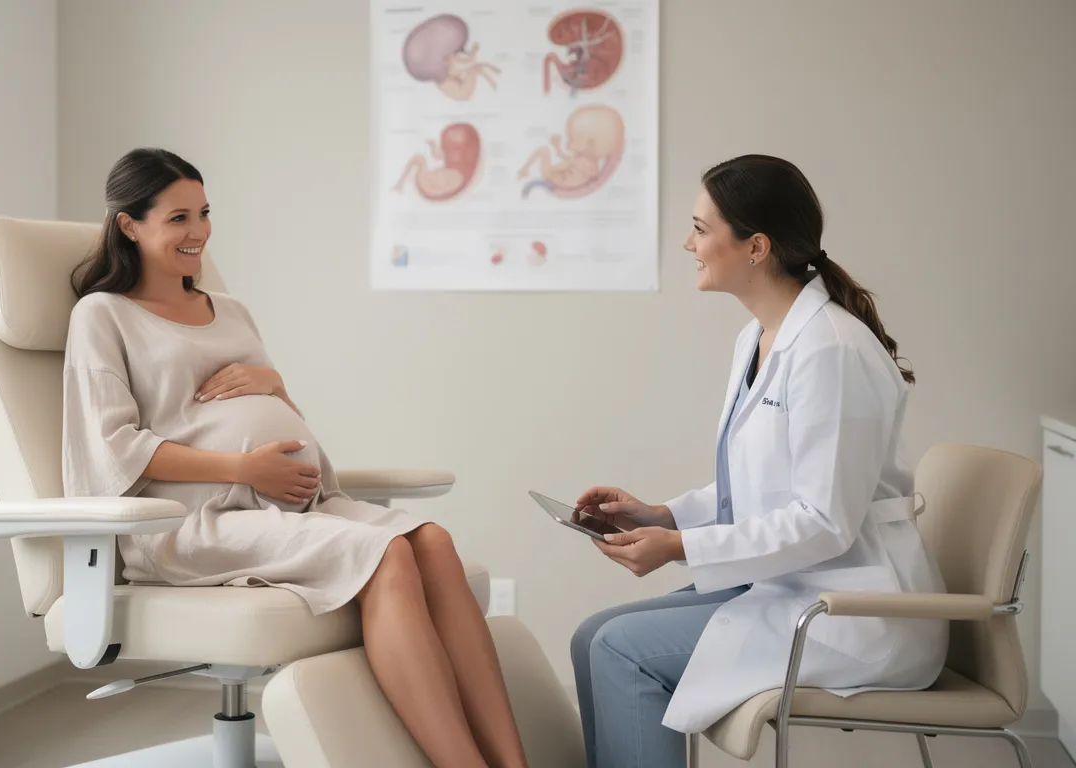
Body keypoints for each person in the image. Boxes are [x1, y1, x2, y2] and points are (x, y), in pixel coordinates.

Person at [61, 148, 528, 768]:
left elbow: (281, 420)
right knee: (386, 552)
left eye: (203, 213)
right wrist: (244, 469)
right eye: (177, 218)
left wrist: (275, 386)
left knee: (434, 542)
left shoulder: (230, 310)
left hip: (289, 501)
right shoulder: (104, 315)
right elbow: (113, 449)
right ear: (129, 225)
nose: (198, 231)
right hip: (190, 521)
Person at [568, 155, 949, 768]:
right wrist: (663, 516)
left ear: (755, 247)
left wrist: (682, 549)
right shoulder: (759, 337)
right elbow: (758, 487)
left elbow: (823, 522)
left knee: (620, 649)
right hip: (792, 586)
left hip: (851, 612)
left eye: (700, 227)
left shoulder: (830, 350)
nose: (687, 242)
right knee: (592, 636)